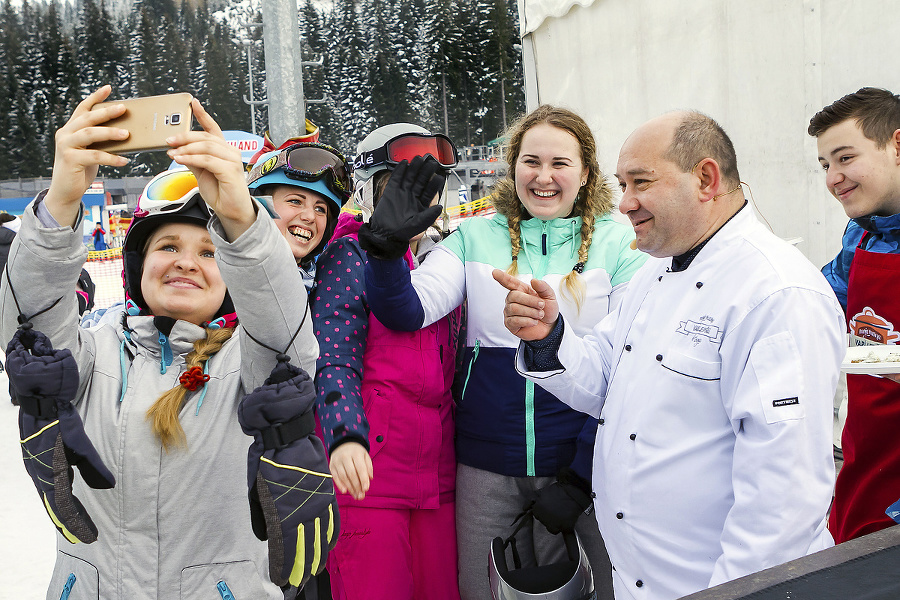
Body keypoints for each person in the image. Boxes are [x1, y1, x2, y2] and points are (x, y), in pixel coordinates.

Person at [0, 86, 336, 599]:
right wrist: (63, 196)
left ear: (233, 278)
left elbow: (286, 332)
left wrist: (241, 221)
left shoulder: (250, 364)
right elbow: (26, 325)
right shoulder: (92, 355)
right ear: (138, 266)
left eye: (209, 253)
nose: (185, 261)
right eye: (168, 245)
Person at [494, 110, 846, 600]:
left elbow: (782, 496)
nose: (625, 203)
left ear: (706, 178)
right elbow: (606, 382)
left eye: (641, 182)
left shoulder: (776, 292)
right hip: (645, 583)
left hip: (723, 586)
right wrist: (549, 336)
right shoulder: (655, 273)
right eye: (621, 184)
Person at [359, 108, 646, 600]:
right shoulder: (472, 237)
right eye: (530, 161)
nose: (544, 176)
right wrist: (386, 255)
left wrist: (581, 472)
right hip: (487, 463)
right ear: (512, 168)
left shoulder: (622, 243)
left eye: (560, 163)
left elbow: (630, 368)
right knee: (482, 591)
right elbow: (409, 310)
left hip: (585, 465)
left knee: (600, 592)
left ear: (586, 172)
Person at [310, 123, 462, 600]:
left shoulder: (444, 264)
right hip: (368, 479)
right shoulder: (348, 255)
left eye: (425, 188)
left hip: (436, 480)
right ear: (368, 191)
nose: (413, 203)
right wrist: (344, 436)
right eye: (395, 189)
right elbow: (334, 357)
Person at [809, 87, 900, 543]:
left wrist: (857, 355)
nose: (833, 177)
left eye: (845, 158)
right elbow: (821, 300)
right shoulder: (861, 234)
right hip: (864, 459)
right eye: (825, 165)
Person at [247, 140, 351, 290]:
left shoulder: (328, 290)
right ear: (258, 205)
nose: (310, 217)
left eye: (320, 209)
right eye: (295, 201)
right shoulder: (225, 280)